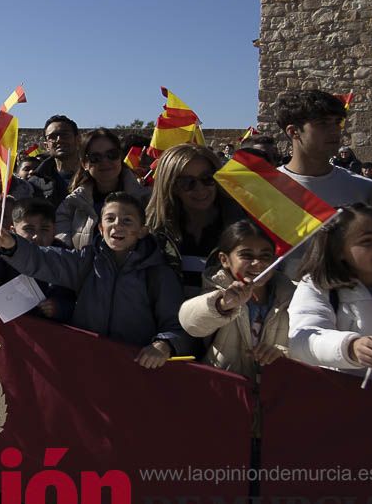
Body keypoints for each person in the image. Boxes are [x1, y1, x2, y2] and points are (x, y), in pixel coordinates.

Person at [0, 192, 189, 367]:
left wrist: (164, 345)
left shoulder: (158, 273)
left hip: (133, 368)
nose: (117, 225)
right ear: (101, 229)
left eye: (127, 221)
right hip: (85, 362)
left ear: (142, 231)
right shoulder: (86, 260)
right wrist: (12, 246)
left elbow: (177, 324)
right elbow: (46, 260)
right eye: (110, 219)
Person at [288, 203, 372, 384]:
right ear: (339, 251)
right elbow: (302, 340)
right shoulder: (319, 286)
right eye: (367, 241)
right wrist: (350, 347)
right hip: (355, 402)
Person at [178, 220, 294, 378]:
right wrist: (222, 305)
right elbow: (190, 324)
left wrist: (282, 353)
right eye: (247, 255)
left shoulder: (292, 294)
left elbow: (306, 345)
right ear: (224, 260)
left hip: (274, 393)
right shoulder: (217, 290)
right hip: (224, 391)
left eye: (265, 256)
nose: (258, 263)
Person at [146, 144, 243, 299]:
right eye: (187, 182)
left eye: (207, 179)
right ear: (171, 186)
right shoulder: (152, 231)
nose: (200, 188)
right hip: (167, 320)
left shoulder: (241, 228)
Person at [0, 196, 74, 320]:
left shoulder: (64, 258)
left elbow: (77, 303)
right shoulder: (4, 254)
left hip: (46, 333)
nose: (36, 236)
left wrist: (59, 308)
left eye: (44, 229)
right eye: (29, 229)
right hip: (8, 330)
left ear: (54, 231)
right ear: (13, 230)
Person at [274, 90, 372, 206]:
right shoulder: (265, 189)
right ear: (293, 131)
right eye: (322, 123)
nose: (335, 131)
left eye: (337, 122)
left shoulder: (365, 190)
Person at [55, 129, 149, 251]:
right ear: (84, 164)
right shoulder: (71, 205)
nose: (105, 161)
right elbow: (63, 251)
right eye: (95, 157)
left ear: (120, 157)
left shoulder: (147, 200)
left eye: (112, 154)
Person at [29, 115, 82, 207]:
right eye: (52, 137)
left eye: (65, 135)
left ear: (78, 140)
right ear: (46, 146)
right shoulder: (35, 184)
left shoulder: (94, 175)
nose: (59, 140)